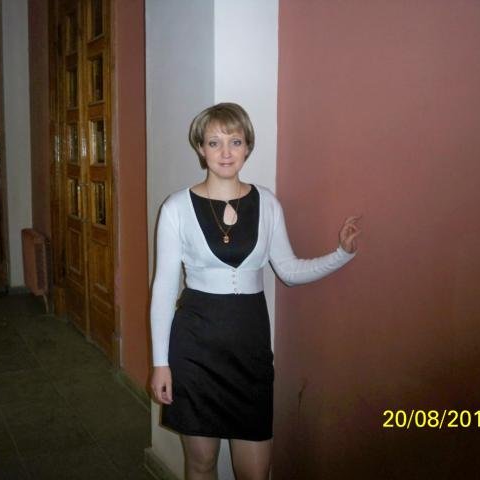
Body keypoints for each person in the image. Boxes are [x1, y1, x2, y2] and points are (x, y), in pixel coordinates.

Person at [150, 103, 361, 480]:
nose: (225, 152)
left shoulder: (267, 204)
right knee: (200, 465)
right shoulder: (176, 208)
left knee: (256, 472)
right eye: (214, 142)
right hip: (195, 351)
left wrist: (341, 254)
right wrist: (161, 363)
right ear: (200, 148)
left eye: (235, 141)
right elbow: (164, 291)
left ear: (247, 146)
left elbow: (290, 271)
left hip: (250, 352)